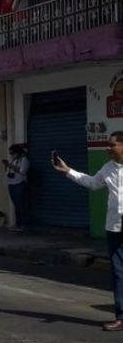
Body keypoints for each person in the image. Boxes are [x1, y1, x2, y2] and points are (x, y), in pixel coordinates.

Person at [54, 132, 123, 331]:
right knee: (119, 273)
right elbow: (93, 183)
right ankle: (121, 316)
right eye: (107, 145)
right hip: (115, 227)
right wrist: (68, 171)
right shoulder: (108, 169)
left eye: (112, 145)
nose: (108, 148)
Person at [2, 144, 29, 231]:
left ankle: (23, 224)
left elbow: (22, 171)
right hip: (12, 184)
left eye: (13, 153)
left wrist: (10, 166)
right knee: (16, 205)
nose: (12, 155)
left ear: (18, 152)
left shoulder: (24, 160)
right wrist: (8, 165)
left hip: (20, 183)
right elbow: (9, 172)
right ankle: (18, 224)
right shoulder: (13, 161)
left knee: (21, 204)